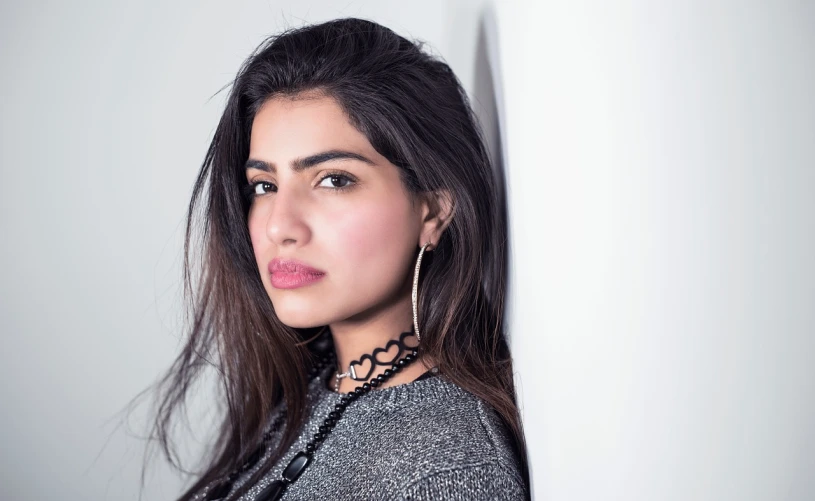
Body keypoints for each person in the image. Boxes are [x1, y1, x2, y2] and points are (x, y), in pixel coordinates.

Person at [147, 17, 529, 501]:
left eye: (333, 179)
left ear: (432, 210)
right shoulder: (312, 384)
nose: (279, 226)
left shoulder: (442, 472)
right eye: (264, 185)